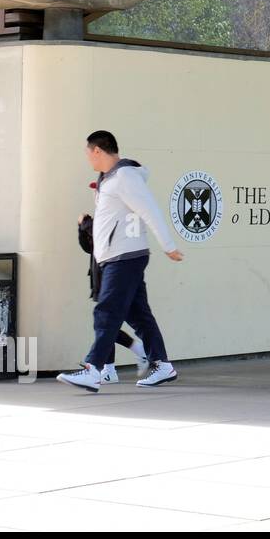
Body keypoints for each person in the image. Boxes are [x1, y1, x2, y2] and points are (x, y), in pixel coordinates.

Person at [58, 131, 183, 393]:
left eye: (88, 154)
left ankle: (93, 370)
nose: (88, 160)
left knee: (106, 312)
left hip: (124, 257)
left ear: (97, 151)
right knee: (139, 316)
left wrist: (168, 246)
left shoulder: (125, 177)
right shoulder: (107, 180)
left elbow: (150, 209)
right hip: (118, 257)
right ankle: (163, 366)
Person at [77, 212, 150, 382]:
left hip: (112, 276)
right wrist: (81, 229)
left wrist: (85, 223)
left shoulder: (110, 217)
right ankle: (110, 369)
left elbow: (102, 232)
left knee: (106, 323)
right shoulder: (100, 216)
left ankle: (136, 352)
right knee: (104, 324)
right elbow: (89, 247)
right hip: (100, 276)